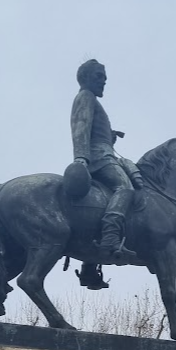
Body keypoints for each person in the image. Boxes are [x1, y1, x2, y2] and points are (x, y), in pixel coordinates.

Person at [70, 59, 143, 289]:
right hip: (99, 159)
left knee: (102, 201)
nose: (104, 80)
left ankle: (89, 267)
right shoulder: (86, 97)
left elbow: (93, 131)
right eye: (99, 76)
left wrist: (108, 135)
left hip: (102, 154)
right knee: (125, 188)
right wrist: (81, 158)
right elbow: (80, 126)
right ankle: (110, 239)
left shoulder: (92, 100)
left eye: (104, 76)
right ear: (87, 77)